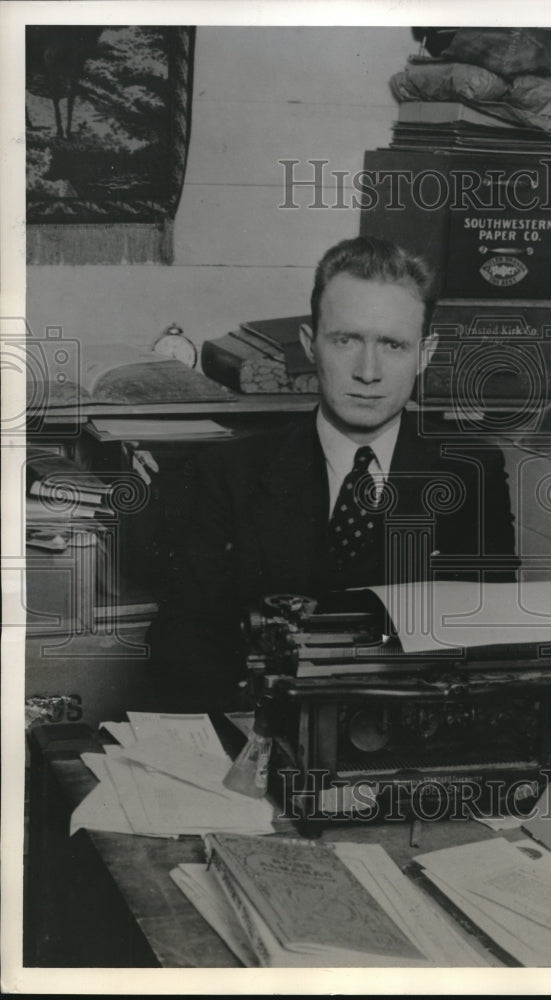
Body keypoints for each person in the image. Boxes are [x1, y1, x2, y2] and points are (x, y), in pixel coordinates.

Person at [149, 236, 515, 710]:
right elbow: (182, 645)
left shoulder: (471, 477)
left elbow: (489, 648)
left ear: (424, 354)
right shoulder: (227, 474)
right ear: (310, 346)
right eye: (347, 340)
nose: (368, 371)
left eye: (393, 345)